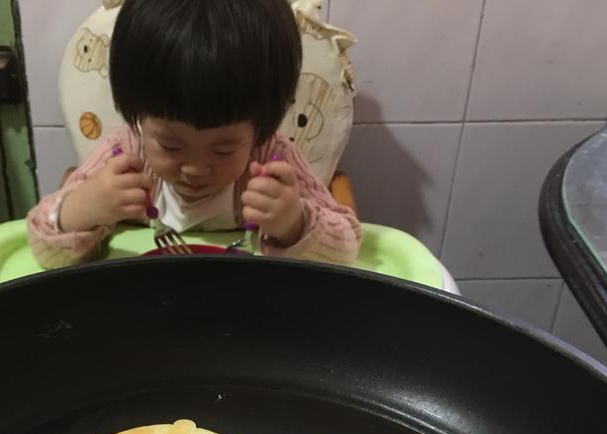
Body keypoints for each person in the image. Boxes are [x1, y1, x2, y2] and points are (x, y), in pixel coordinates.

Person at [27, 0, 361, 269]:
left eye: (223, 150)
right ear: (137, 116)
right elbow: (43, 252)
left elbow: (345, 253)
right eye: (170, 145)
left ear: (261, 127)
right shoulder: (125, 155)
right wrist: (83, 209)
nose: (195, 168)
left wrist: (294, 224)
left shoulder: (271, 160)